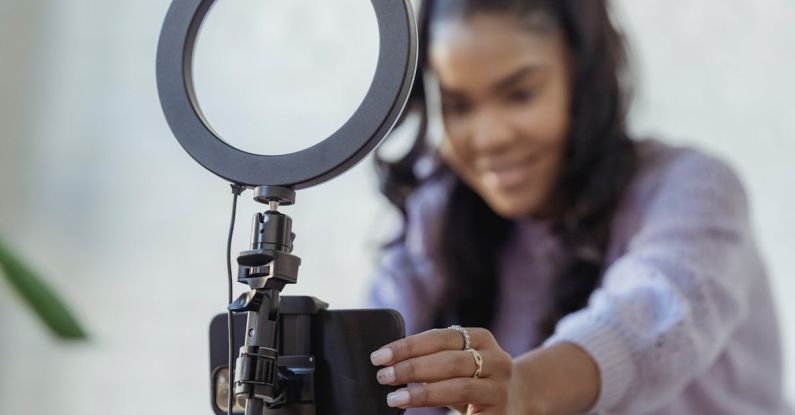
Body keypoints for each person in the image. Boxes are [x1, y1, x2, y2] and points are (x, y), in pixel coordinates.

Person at [366, 1, 792, 414]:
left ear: (583, 76)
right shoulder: (436, 217)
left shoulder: (694, 189)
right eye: (458, 106)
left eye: (520, 94)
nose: (490, 136)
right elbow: (380, 369)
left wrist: (523, 390)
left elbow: (650, 314)